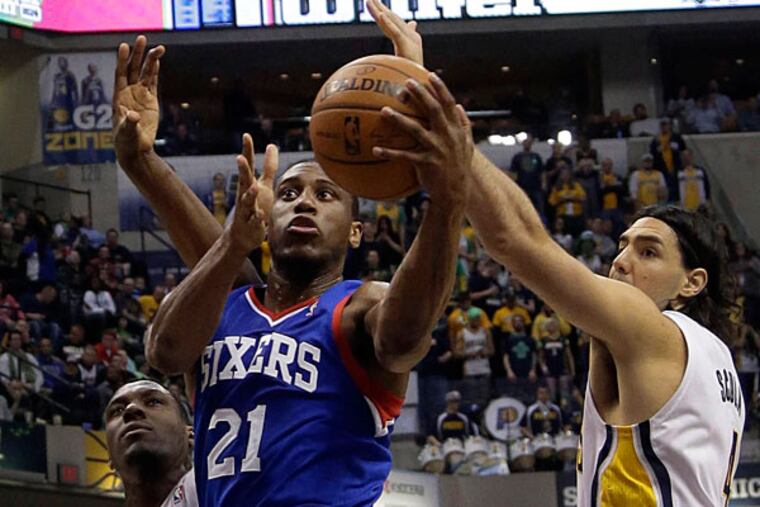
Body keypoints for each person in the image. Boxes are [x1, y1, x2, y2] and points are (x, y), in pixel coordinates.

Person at [369, 8, 743, 504]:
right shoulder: (721, 366)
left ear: (692, 282)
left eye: (649, 251)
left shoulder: (652, 328)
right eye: (624, 244)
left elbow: (515, 240)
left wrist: (432, 108)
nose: (621, 261)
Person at [115, 30, 468, 506]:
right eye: (288, 194)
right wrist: (139, 157)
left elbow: (404, 338)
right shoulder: (226, 301)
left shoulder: (359, 306)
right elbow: (166, 353)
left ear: (355, 230)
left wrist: (445, 200)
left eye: (326, 195)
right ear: (267, 217)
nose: (304, 202)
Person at [104, 380, 197, 507]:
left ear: (190, 435)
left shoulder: (220, 490)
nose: (131, 409)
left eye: (153, 402)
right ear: (109, 455)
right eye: (118, 410)